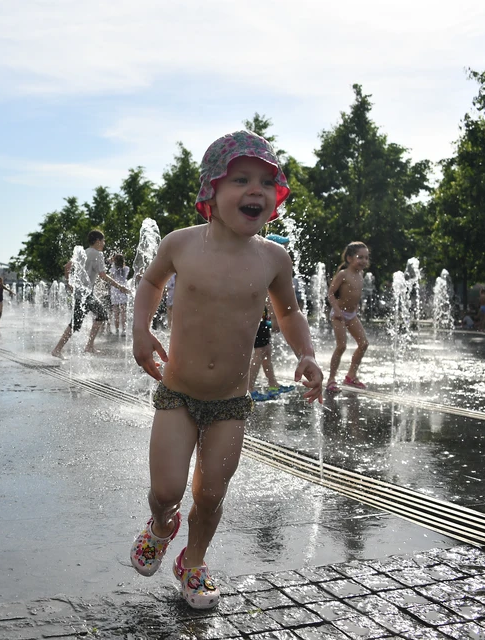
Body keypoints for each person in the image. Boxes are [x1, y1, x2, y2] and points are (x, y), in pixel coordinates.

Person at [129, 131, 323, 610]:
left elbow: (290, 312)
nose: (255, 190)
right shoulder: (180, 245)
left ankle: (193, 562)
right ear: (211, 191)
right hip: (178, 393)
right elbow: (150, 281)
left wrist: (306, 352)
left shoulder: (274, 257)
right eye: (241, 179)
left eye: (265, 181)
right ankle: (160, 524)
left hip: (232, 403)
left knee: (211, 493)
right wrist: (140, 331)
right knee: (166, 488)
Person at [51, 230, 131, 357]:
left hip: (82, 292)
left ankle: (88, 346)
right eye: (103, 241)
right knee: (79, 322)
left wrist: (69, 283)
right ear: (98, 241)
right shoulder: (98, 254)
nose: (104, 243)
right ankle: (59, 349)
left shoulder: (83, 252)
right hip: (85, 293)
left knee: (99, 315)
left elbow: (67, 267)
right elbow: (103, 275)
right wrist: (120, 286)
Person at [325, 242, 370, 393]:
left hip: (351, 315)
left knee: (363, 343)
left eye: (366, 257)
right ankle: (331, 379)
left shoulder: (360, 274)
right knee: (341, 346)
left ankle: (351, 376)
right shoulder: (343, 274)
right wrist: (336, 310)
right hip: (339, 315)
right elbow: (331, 293)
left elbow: (354, 292)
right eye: (360, 257)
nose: (364, 261)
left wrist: (355, 306)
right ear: (350, 258)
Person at [108, 254, 131, 336]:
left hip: (115, 290)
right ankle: (124, 330)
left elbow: (111, 278)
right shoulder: (126, 269)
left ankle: (117, 329)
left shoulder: (112, 269)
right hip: (123, 290)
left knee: (116, 312)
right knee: (123, 311)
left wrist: (112, 261)